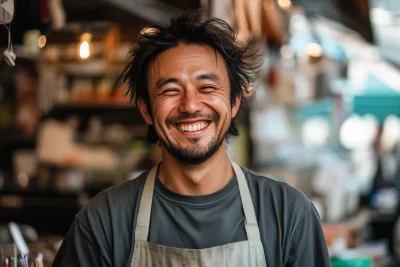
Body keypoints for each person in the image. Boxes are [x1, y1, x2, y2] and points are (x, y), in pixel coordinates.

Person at [52, 10, 331, 267]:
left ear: (234, 102)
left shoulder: (289, 215)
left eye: (207, 87)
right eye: (171, 90)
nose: (191, 106)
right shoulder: (104, 222)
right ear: (146, 109)